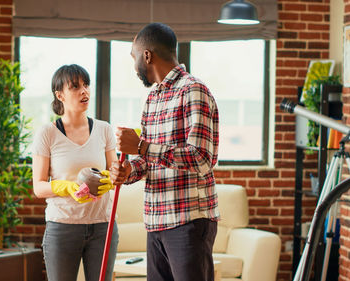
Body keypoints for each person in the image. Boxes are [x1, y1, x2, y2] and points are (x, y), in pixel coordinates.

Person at [110, 23, 220, 281]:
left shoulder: (193, 90)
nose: (134, 64)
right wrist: (129, 170)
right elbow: (149, 159)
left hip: (187, 221)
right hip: (156, 221)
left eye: (134, 56)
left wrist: (140, 146)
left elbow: (202, 158)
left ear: (147, 55)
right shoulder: (153, 99)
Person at [32, 64, 119, 281]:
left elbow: (115, 172)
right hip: (63, 228)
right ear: (60, 94)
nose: (84, 91)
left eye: (86, 85)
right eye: (75, 86)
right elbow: (39, 187)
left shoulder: (104, 129)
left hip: (102, 227)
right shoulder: (47, 133)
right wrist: (67, 187)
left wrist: (109, 180)